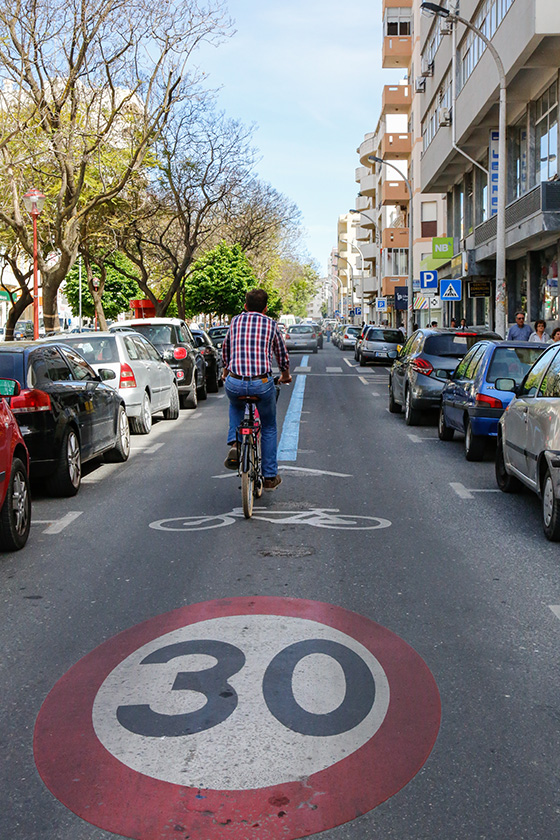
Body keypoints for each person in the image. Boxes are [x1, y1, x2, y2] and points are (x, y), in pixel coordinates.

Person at [221, 289, 292, 490]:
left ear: (245, 306)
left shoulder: (235, 321)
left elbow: (225, 350)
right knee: (268, 425)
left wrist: (226, 372)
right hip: (261, 383)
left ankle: (235, 444)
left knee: (235, 406)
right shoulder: (271, 324)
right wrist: (285, 375)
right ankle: (269, 476)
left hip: (234, 381)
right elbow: (281, 354)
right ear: (266, 308)